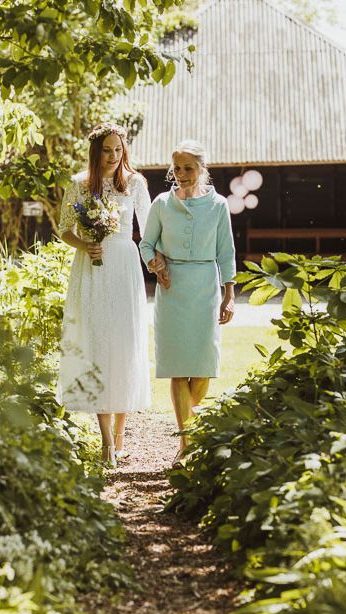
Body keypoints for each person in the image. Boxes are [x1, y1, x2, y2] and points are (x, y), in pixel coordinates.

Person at [57, 123, 152, 467]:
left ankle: (123, 432)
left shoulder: (136, 184)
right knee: (97, 343)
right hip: (92, 267)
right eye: (107, 150)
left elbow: (152, 227)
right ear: (95, 152)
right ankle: (106, 440)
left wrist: (159, 261)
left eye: (118, 150)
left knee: (123, 344)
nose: (113, 157)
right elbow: (64, 228)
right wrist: (86, 244)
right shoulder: (79, 184)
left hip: (125, 266)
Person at [139, 139, 236, 467]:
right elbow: (146, 243)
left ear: (202, 169)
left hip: (205, 288)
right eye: (177, 168)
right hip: (173, 291)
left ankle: (188, 433)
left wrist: (229, 294)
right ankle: (186, 443)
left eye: (188, 168)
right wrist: (157, 265)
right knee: (179, 369)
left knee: (204, 368)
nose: (181, 174)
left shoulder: (219, 205)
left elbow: (226, 251)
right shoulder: (162, 204)